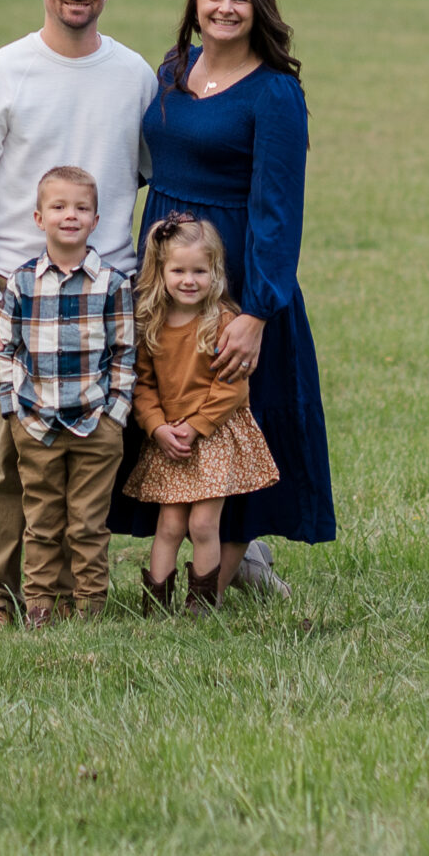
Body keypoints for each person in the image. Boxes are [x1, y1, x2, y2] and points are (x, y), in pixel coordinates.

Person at [0, 0, 157, 631]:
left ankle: (72, 595)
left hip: (108, 297)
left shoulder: (132, 75)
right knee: (14, 454)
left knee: (96, 456)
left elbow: (162, 168)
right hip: (21, 297)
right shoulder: (5, 72)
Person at [111, 0, 336, 589]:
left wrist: (260, 311)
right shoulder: (172, 70)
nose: (225, 9)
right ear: (195, 5)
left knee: (240, 414)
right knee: (159, 398)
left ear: (258, 8)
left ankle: (231, 569)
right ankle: (160, 558)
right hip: (166, 263)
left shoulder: (275, 92)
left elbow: (278, 208)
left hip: (234, 267)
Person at [0, 166, 137, 626]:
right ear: (38, 218)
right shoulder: (22, 282)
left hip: (96, 425)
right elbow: (8, 350)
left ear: (95, 220)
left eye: (80, 208)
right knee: (43, 522)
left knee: (89, 523)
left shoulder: (112, 283)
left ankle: (90, 608)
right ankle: (40, 608)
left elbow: (124, 353)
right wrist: (13, 411)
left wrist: (115, 414)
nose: (69, 216)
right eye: (58, 207)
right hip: (36, 425)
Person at [124, 215, 279, 613]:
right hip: (170, 440)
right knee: (170, 525)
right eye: (178, 270)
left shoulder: (222, 322)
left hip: (212, 438)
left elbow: (233, 387)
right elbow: (142, 385)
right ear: (160, 272)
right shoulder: (152, 325)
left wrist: (195, 427)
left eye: (200, 270)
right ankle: (156, 603)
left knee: (203, 524)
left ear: (216, 272)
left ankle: (203, 605)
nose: (188, 280)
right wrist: (157, 427)